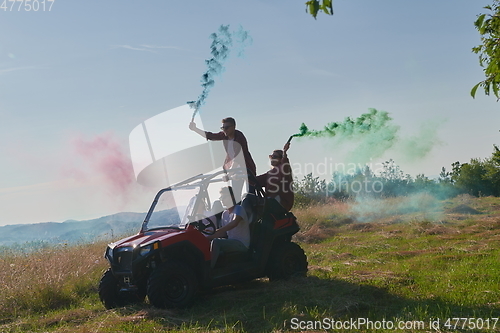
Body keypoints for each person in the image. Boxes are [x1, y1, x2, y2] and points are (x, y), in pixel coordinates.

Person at [189, 117, 257, 176]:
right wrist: (195, 129)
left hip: (246, 169)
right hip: (233, 171)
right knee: (234, 190)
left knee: (250, 190)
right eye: (223, 128)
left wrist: (229, 173)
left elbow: (238, 157)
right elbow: (211, 136)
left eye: (226, 128)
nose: (224, 130)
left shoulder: (239, 137)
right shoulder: (224, 135)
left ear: (234, 127)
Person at [206, 186, 250, 268]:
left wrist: (217, 230)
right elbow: (223, 233)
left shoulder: (238, 209)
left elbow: (234, 223)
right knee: (209, 242)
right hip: (231, 242)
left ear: (231, 197)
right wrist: (207, 237)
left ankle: (209, 269)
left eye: (224, 197)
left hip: (241, 244)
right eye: (221, 197)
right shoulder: (224, 214)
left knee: (216, 242)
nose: (222, 199)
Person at [256, 142, 294, 211]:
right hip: (269, 200)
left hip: (281, 201)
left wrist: (284, 152)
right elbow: (256, 180)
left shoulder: (283, 169)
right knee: (251, 201)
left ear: (280, 159)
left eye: (275, 157)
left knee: (269, 202)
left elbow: (285, 163)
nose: (272, 158)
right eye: (271, 157)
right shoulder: (269, 173)